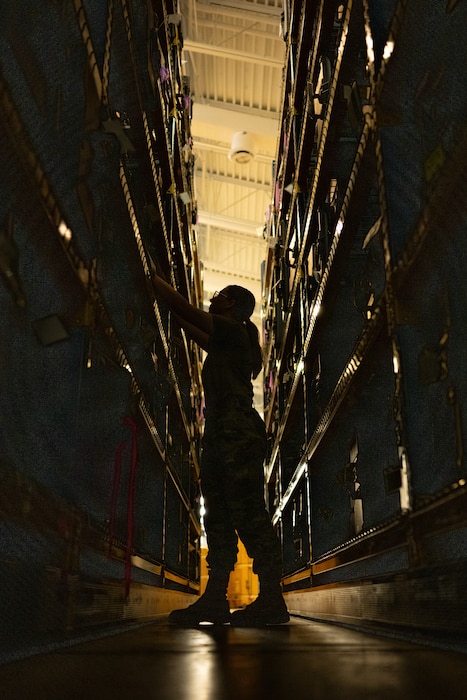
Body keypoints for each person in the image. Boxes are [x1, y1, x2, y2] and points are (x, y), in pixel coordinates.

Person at [152, 272, 289, 626]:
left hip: (235, 431)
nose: (213, 299)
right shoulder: (226, 339)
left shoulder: (234, 329)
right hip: (219, 432)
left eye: (218, 296)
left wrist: (152, 278)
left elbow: (183, 309)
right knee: (219, 515)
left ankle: (272, 598)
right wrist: (163, 298)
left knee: (247, 512)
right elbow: (184, 322)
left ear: (230, 304)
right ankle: (216, 598)